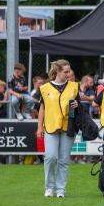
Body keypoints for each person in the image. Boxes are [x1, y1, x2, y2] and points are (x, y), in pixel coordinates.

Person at [37, 59, 79, 198]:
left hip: (68, 127)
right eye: (65, 71)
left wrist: (77, 105)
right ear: (57, 72)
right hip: (50, 127)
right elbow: (42, 108)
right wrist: (39, 128)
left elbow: (79, 105)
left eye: (69, 71)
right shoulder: (44, 88)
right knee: (50, 157)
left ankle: (60, 189)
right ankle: (49, 187)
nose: (69, 74)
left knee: (64, 160)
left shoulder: (74, 86)